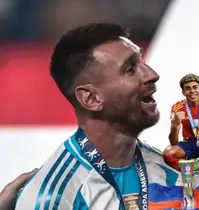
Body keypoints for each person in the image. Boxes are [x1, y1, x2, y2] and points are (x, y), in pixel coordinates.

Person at [15, 23, 185, 210]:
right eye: (130, 69)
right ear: (91, 98)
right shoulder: (54, 198)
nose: (152, 75)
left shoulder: (173, 173)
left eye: (142, 62)